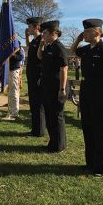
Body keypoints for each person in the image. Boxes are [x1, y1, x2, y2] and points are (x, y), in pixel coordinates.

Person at [71, 19, 103, 177]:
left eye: (87, 31)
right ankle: (90, 163)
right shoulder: (86, 50)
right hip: (87, 91)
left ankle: (100, 168)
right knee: (88, 128)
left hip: (102, 92)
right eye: (84, 31)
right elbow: (72, 51)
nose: (84, 33)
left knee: (100, 130)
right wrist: (78, 39)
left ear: (97, 33)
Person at [37, 20, 68, 152]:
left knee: (56, 116)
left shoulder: (59, 47)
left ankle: (59, 146)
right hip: (47, 86)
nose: (42, 35)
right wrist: (41, 45)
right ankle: (53, 143)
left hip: (56, 87)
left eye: (44, 33)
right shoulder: (48, 46)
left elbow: (64, 69)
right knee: (50, 116)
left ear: (53, 33)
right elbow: (40, 57)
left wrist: (62, 89)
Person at [25, 17, 46, 137]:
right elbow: (30, 49)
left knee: (38, 104)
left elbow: (40, 57)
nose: (28, 29)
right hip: (32, 76)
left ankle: (39, 131)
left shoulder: (41, 40)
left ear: (36, 27)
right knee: (33, 104)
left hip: (37, 76)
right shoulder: (35, 40)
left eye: (30, 26)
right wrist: (27, 37)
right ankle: (35, 130)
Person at [4, 42, 24, 120]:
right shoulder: (10, 50)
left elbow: (21, 58)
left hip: (15, 71)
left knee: (14, 91)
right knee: (10, 91)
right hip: (9, 71)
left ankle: (15, 111)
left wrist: (13, 55)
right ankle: (11, 109)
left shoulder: (19, 50)